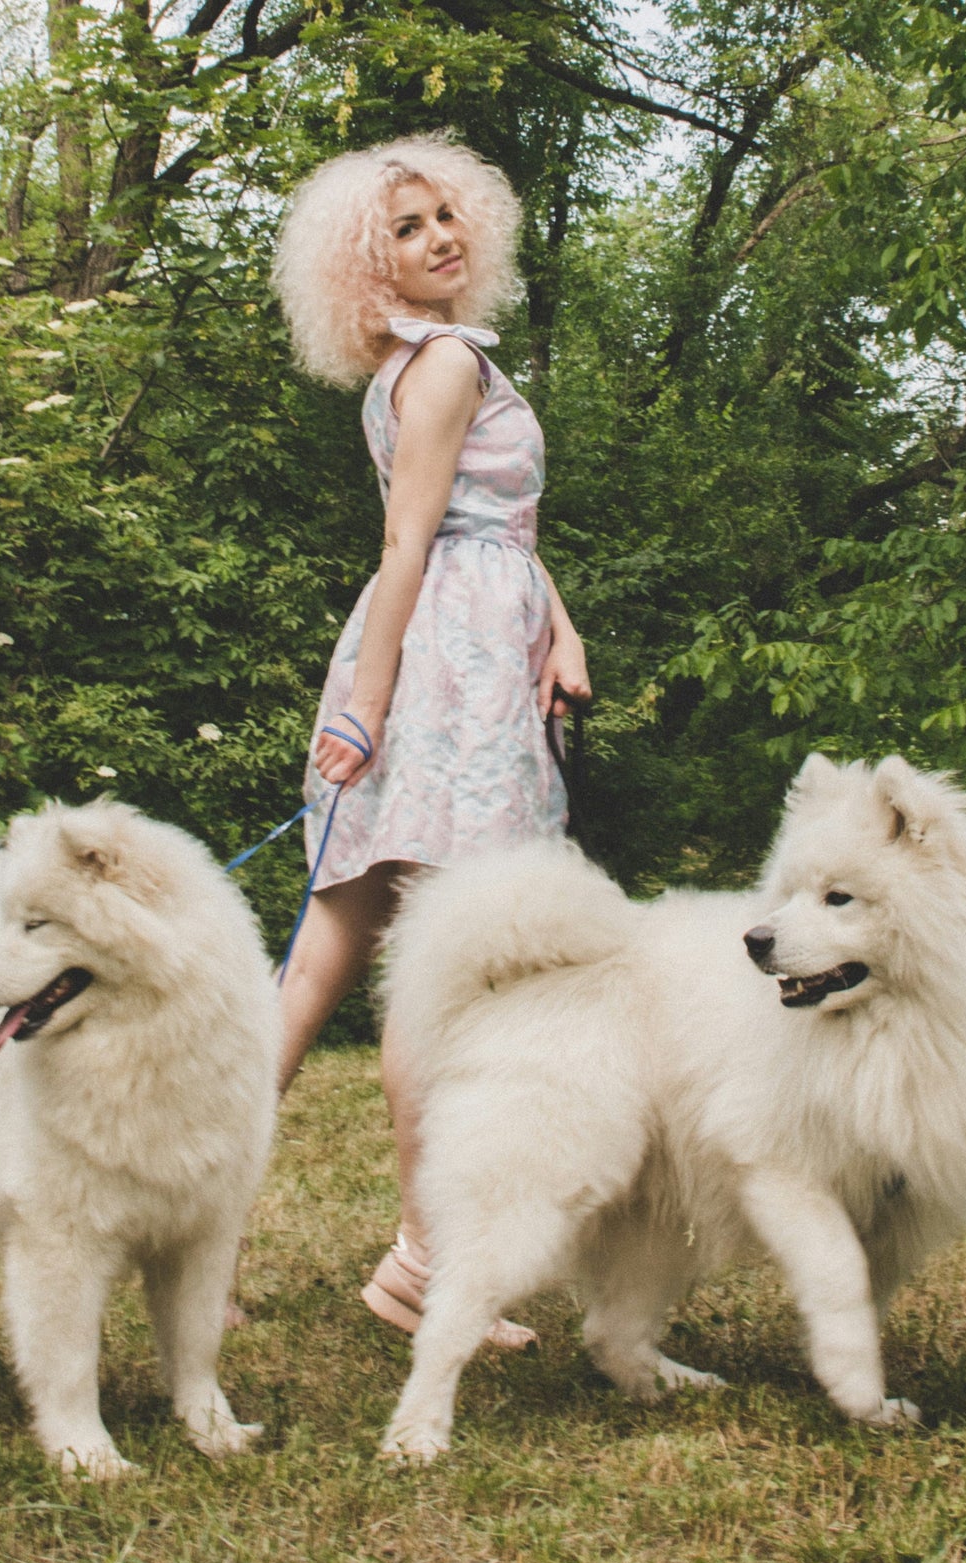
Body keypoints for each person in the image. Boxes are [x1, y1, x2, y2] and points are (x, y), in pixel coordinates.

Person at [270, 133, 591, 1346]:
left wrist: (559, 628)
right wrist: (367, 702)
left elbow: (488, 525)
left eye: (447, 216)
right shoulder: (447, 363)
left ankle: (175, 1224)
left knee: (315, 967)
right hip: (439, 677)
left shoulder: (416, 367)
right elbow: (414, 545)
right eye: (405, 229)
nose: (438, 238)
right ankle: (423, 1259)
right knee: (436, 963)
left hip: (453, 649)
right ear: (369, 263)